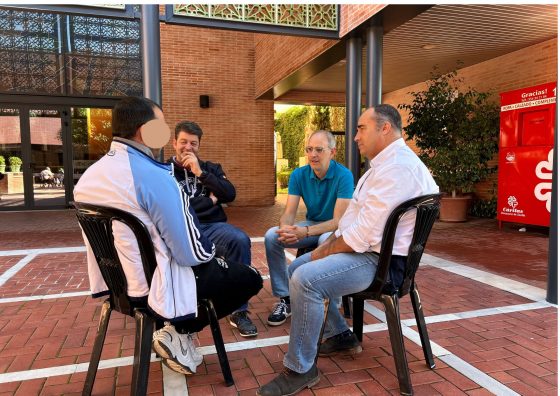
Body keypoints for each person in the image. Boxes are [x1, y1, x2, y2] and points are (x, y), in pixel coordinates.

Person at [257, 104, 439, 396]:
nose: (355, 136)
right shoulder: (385, 166)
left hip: (384, 265)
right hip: (374, 253)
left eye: (360, 128)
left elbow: (361, 236)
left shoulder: (397, 169)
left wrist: (320, 252)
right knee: (296, 267)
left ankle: (300, 369)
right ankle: (341, 335)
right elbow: (351, 224)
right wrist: (325, 245)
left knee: (306, 278)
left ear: (385, 128)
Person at [74, 97, 263, 376]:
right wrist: (210, 253)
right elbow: (190, 253)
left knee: (229, 248)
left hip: (118, 284)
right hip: (158, 283)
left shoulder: (89, 177)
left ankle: (178, 331)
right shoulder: (155, 175)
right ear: (143, 130)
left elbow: (226, 193)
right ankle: (178, 330)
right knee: (249, 277)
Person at [169, 121, 257, 337]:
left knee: (239, 239)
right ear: (174, 143)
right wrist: (210, 202)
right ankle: (175, 308)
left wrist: (201, 173)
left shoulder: (211, 169)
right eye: (183, 142)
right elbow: (173, 207)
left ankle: (238, 310)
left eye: (193, 143)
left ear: (199, 146)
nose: (188, 147)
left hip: (213, 227)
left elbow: (230, 194)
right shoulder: (165, 172)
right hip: (182, 228)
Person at [264, 130, 354, 326]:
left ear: (333, 152)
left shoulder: (344, 176)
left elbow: (338, 221)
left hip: (334, 229)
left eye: (319, 150)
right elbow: (289, 212)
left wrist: (303, 232)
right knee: (272, 236)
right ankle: (285, 298)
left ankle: (329, 298)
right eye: (309, 149)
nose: (313, 154)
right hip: (312, 224)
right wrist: (285, 229)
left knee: (325, 240)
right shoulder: (299, 174)